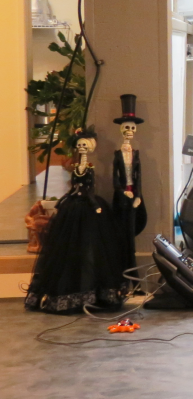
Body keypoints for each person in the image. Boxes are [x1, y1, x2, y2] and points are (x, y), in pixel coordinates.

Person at [25, 128, 128, 314]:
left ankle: (95, 293)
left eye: (84, 145)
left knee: (93, 247)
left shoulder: (89, 167)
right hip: (73, 205)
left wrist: (93, 203)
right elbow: (75, 187)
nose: (81, 148)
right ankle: (67, 292)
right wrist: (64, 201)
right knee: (67, 247)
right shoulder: (76, 168)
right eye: (79, 145)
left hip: (87, 206)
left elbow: (89, 188)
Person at [112, 94, 147, 273]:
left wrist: (138, 195)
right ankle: (122, 269)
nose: (129, 131)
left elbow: (139, 177)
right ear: (121, 129)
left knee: (132, 230)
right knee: (121, 232)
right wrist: (121, 192)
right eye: (126, 127)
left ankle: (132, 269)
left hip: (134, 195)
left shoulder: (136, 154)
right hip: (122, 196)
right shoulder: (118, 155)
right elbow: (114, 178)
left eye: (132, 128)